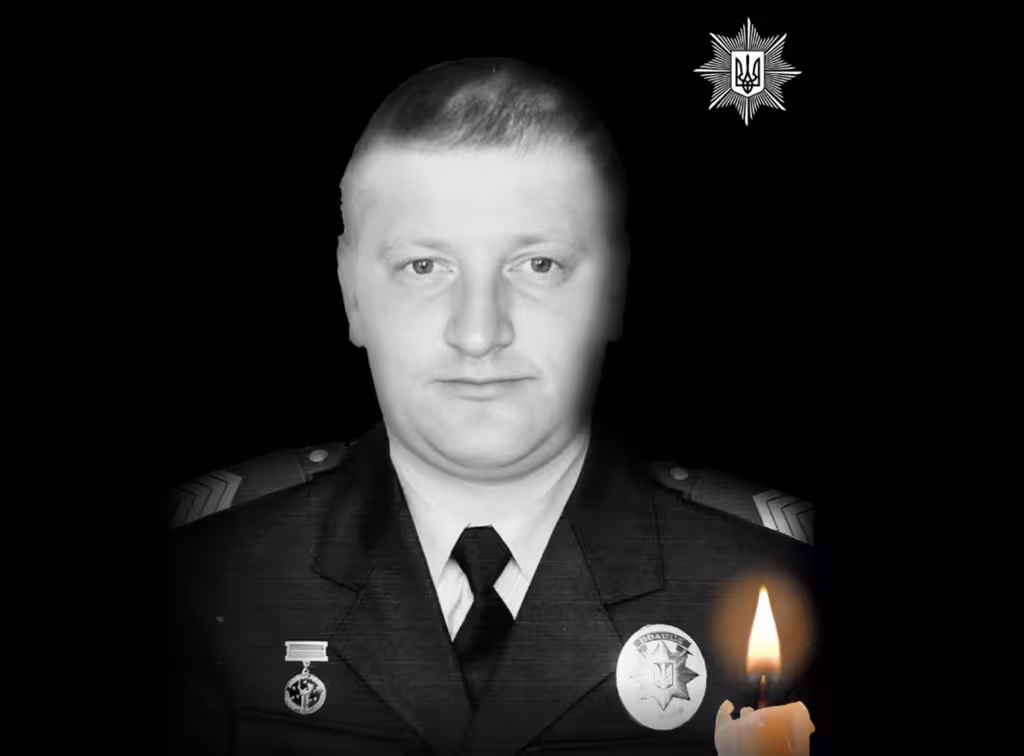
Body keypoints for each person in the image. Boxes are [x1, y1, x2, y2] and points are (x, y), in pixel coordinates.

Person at [160, 57, 818, 755]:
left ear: (614, 289)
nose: (478, 333)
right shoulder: (205, 575)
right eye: (424, 267)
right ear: (351, 293)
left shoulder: (776, 574)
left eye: (538, 265)